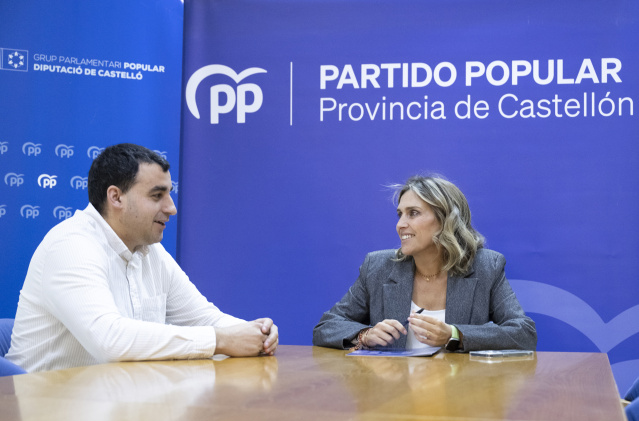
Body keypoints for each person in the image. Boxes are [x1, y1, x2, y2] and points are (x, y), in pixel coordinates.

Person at [7, 143, 278, 372]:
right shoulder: (70, 245)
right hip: (46, 407)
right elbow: (110, 340)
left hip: (114, 401)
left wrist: (256, 332)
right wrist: (219, 340)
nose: (171, 208)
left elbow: (204, 318)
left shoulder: (150, 250)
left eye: (169, 194)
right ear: (116, 197)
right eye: (157, 195)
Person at [312, 174, 536, 352]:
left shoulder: (486, 266)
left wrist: (454, 335)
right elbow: (326, 327)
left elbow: (524, 333)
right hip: (393, 391)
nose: (400, 224)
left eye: (413, 213)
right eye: (400, 214)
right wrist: (365, 335)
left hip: (461, 390)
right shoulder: (378, 267)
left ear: (446, 220)